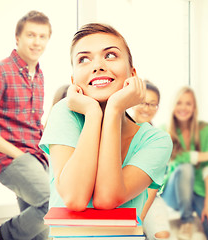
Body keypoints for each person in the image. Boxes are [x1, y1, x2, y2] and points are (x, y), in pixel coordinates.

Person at [39, 22, 172, 222]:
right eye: (84, 59)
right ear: (74, 80)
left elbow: (106, 198)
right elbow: (74, 199)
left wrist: (114, 109)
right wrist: (93, 113)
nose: (98, 66)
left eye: (110, 55)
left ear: (132, 74)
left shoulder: (156, 141)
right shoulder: (64, 114)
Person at [0, 11, 51, 240]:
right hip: (11, 158)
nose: (36, 42)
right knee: (52, 204)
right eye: (31, 35)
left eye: (42, 36)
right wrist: (19, 155)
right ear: (17, 37)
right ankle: (6, 234)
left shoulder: (39, 76)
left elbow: (34, 123)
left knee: (40, 231)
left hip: (38, 156)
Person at [161, 86, 208, 240]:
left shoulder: (205, 129)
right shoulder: (164, 131)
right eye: (179, 103)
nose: (183, 108)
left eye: (188, 103)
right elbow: (174, 159)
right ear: (173, 106)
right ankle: (187, 221)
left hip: (199, 191)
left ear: (194, 108)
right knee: (185, 168)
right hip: (173, 192)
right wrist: (204, 155)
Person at [131, 80, 172, 240]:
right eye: (142, 102)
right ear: (133, 102)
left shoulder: (160, 140)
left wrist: (138, 219)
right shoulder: (118, 129)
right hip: (122, 196)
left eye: (152, 104)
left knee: (161, 235)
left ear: (157, 108)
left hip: (149, 197)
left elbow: (153, 187)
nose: (146, 108)